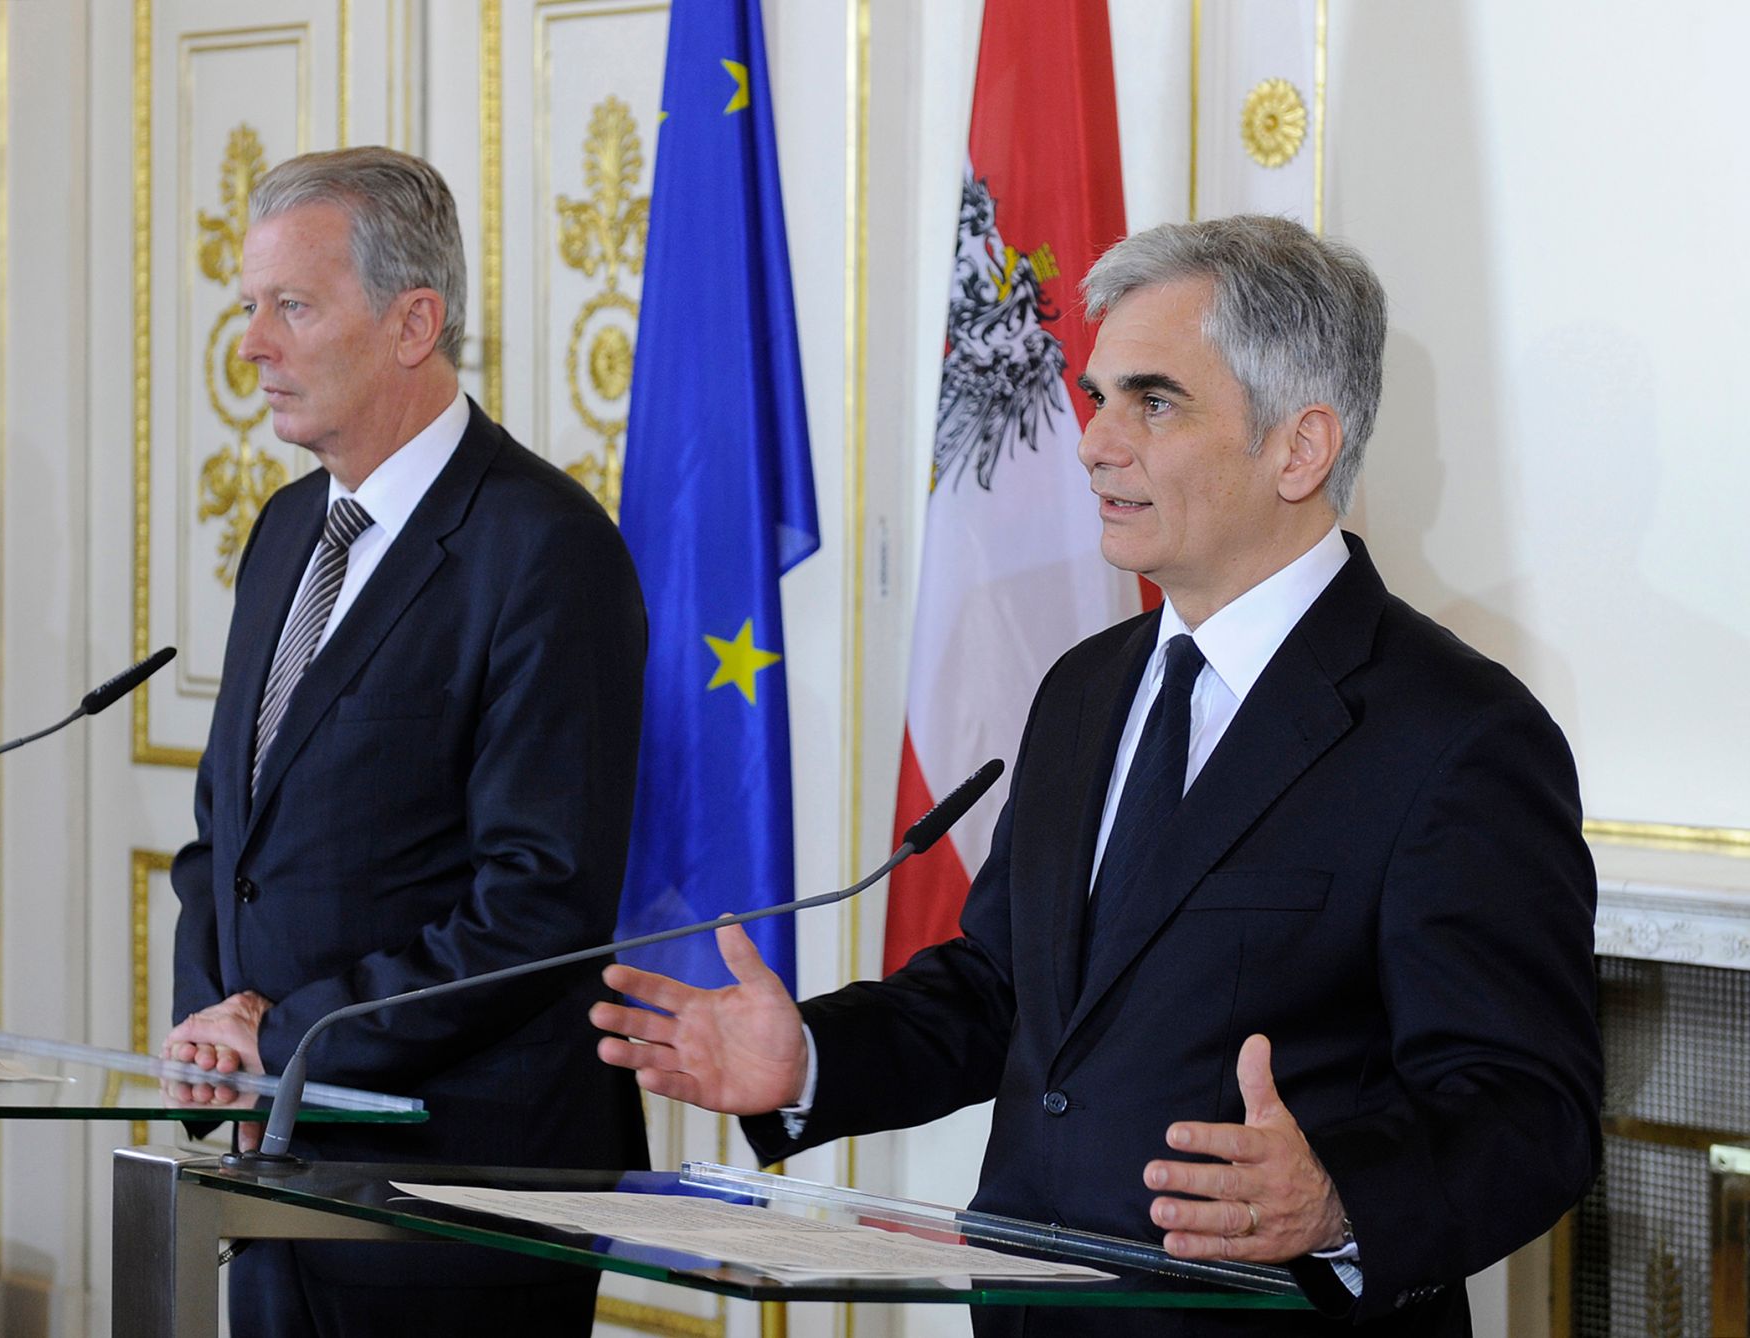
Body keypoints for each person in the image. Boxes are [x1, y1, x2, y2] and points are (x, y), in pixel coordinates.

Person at [591, 215, 1603, 1336]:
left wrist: (1333, 1200)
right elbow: (1002, 992)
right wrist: (815, 1058)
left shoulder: (1454, 734)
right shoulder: (1085, 685)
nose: (1090, 442)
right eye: (1095, 395)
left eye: (1152, 401)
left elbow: (1528, 1109)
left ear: (1298, 447)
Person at [165, 147, 648, 1337]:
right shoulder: (285, 528)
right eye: (247, 308)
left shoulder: (543, 551)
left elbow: (536, 909)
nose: (253, 346)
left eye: (292, 306)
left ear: (412, 321)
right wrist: (214, 1049)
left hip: (458, 1192)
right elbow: (225, 837)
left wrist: (278, 1037)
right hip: (279, 1162)